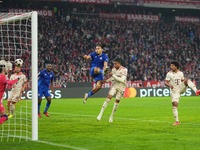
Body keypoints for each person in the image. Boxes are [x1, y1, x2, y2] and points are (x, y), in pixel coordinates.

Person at [164, 61, 200, 126]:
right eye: (171, 65)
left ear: (176, 66)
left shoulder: (181, 73)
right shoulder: (169, 74)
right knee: (174, 105)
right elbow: (165, 82)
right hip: (174, 91)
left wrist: (185, 85)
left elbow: (183, 81)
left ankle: (196, 91)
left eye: (172, 65)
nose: (171, 67)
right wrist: (169, 85)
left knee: (187, 80)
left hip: (180, 88)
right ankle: (177, 121)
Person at [97, 58, 128, 122]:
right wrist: (106, 81)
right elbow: (112, 78)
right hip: (115, 85)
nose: (114, 65)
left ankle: (111, 116)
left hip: (121, 87)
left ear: (119, 63)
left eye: (115, 64)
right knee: (109, 97)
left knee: (116, 102)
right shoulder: (113, 69)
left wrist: (113, 75)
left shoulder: (124, 70)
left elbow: (122, 80)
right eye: (114, 64)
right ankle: (100, 114)